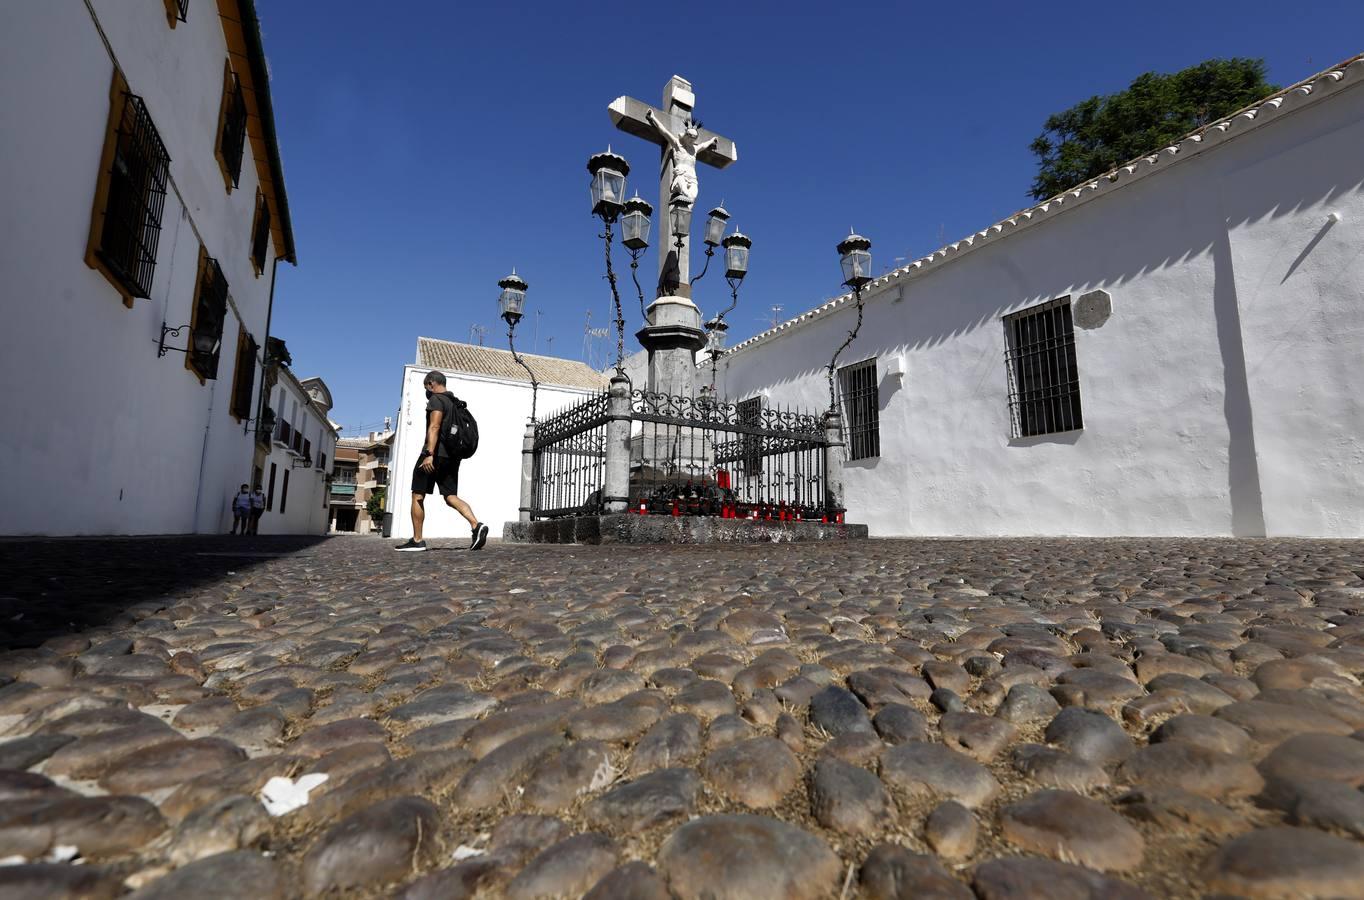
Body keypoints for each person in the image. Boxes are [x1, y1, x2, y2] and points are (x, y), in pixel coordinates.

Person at [395, 370, 488, 552]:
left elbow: (434, 426)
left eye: (426, 388)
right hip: (453, 457)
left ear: (431, 384)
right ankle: (476, 525)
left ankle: (417, 540)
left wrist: (429, 453)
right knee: (450, 496)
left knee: (417, 495)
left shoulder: (436, 399)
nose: (427, 392)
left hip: (434, 455)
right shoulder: (455, 402)